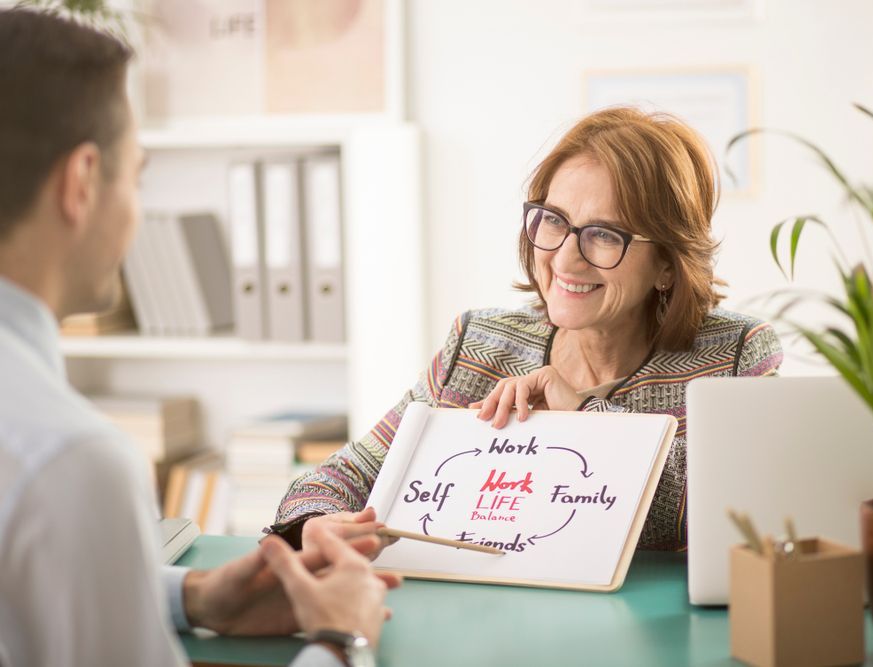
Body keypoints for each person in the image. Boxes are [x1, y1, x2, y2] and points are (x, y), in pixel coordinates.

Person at [0, 9, 399, 667]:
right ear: (80, 184)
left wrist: (194, 593)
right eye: (136, 175)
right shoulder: (69, 459)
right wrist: (340, 640)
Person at [271, 107, 783, 553]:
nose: (564, 258)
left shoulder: (735, 357)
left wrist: (582, 416)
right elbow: (340, 477)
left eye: (605, 235)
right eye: (553, 220)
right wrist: (314, 525)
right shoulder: (477, 345)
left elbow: (734, 525)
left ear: (668, 264)